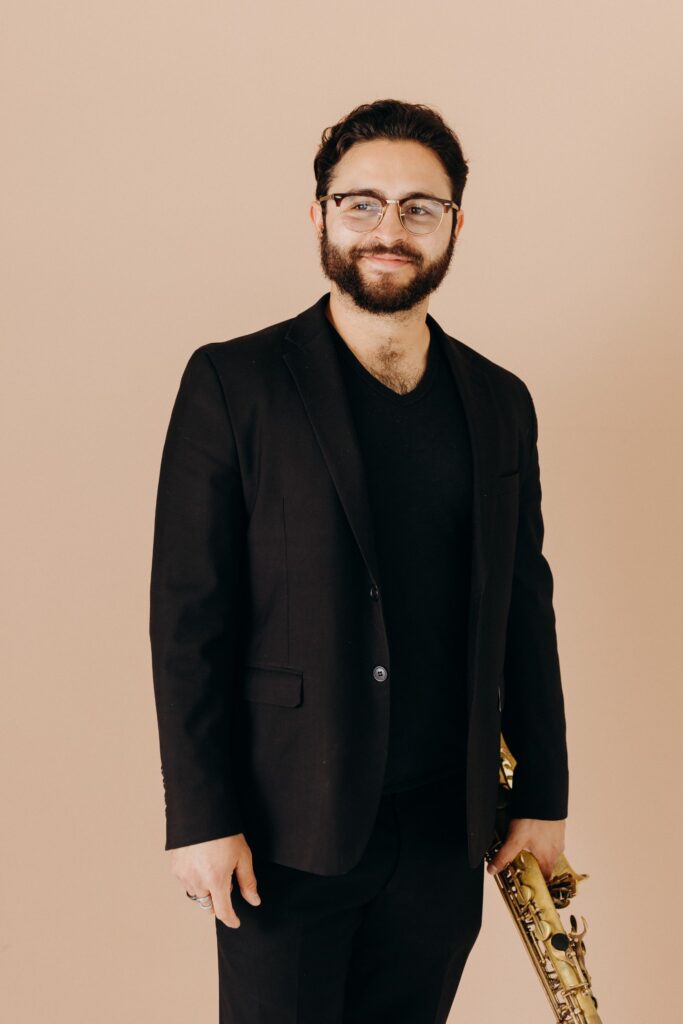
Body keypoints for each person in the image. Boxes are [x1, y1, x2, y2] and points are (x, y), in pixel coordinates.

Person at [149, 98, 569, 1023]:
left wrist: (542, 795)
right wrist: (201, 816)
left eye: (419, 207)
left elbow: (523, 608)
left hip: (445, 832)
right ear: (319, 215)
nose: (389, 229)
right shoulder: (232, 382)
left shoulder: (499, 401)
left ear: (454, 225)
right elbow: (188, 617)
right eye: (361, 203)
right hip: (283, 829)